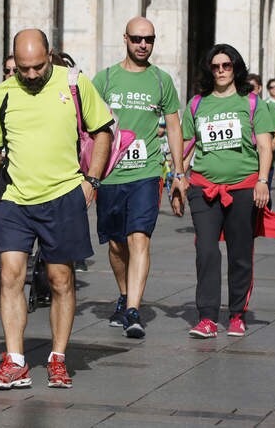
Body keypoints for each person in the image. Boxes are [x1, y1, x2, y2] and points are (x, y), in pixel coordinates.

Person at [0, 29, 113, 389]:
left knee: (60, 280)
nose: (31, 75)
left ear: (50, 55)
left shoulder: (75, 84)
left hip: (64, 196)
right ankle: (15, 361)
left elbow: (103, 130)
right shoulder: (2, 94)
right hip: (15, 199)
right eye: (23, 68)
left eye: (37, 66)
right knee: (9, 276)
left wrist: (92, 181)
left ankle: (58, 358)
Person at [92, 17, 186, 338]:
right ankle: (123, 294)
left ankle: (133, 308)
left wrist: (178, 172)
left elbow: (174, 126)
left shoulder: (161, 81)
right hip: (110, 175)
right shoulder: (104, 79)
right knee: (117, 246)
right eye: (137, 39)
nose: (143, 45)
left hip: (147, 173)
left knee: (139, 238)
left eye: (149, 39)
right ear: (125, 39)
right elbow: (86, 127)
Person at [182, 44, 275, 338]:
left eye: (226, 66)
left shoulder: (252, 103)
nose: (221, 71)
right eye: (215, 66)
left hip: (244, 189)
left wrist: (262, 181)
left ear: (236, 68)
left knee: (240, 254)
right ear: (209, 70)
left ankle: (237, 314)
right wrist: (176, 178)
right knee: (206, 250)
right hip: (203, 188)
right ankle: (207, 318)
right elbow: (186, 147)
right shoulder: (196, 104)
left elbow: (264, 146)